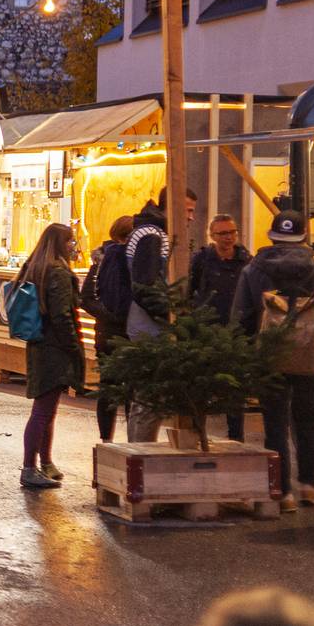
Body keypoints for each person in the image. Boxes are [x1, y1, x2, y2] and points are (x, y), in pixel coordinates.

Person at [231, 210, 314, 512]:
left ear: (271, 236)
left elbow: (241, 318)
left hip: (269, 358)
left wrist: (246, 359)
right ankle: (309, 485)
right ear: (304, 237)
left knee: (275, 425)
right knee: (309, 422)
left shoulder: (253, 271)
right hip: (312, 359)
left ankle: (283, 493)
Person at [15, 223, 85, 490]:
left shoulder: (34, 267)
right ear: (59, 243)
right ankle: (30, 467)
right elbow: (62, 315)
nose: (72, 245)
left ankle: (45, 463)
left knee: (47, 409)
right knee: (44, 411)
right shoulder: (57, 271)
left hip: (38, 343)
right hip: (54, 347)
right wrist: (74, 347)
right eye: (69, 241)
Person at [124, 188, 188, 441]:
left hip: (146, 323)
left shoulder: (151, 231)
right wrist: (168, 314)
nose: (191, 217)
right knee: (149, 400)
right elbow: (145, 285)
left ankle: (139, 455)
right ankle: (139, 456)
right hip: (150, 326)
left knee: (148, 399)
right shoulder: (153, 235)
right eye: (188, 210)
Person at [190, 213, 253, 440]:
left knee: (235, 390)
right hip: (207, 333)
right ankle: (197, 435)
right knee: (202, 387)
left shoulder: (246, 261)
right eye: (223, 233)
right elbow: (190, 289)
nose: (229, 238)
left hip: (237, 334)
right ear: (212, 235)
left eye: (232, 232)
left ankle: (237, 438)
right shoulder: (202, 261)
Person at [82, 216, 135, 442]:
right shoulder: (106, 261)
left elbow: (86, 298)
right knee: (117, 388)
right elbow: (86, 297)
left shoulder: (103, 261)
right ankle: (113, 440)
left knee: (114, 388)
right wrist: (112, 316)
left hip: (110, 331)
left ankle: (109, 440)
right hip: (114, 332)